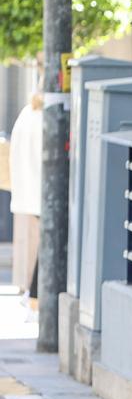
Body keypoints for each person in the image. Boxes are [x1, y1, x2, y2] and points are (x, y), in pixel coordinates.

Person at [8, 94, 42, 296]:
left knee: (37, 245)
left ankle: (33, 295)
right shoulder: (44, 118)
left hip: (27, 190)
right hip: (41, 193)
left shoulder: (26, 114)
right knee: (43, 247)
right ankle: (35, 296)